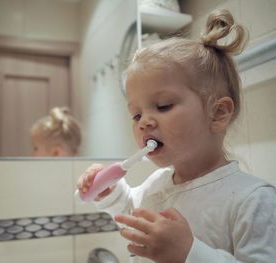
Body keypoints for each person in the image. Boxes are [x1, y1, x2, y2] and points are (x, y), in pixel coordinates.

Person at [77, 9, 276, 263]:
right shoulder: (158, 183)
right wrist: (112, 192)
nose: (144, 123)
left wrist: (189, 254)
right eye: (136, 115)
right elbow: (133, 211)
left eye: (163, 106)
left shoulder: (254, 201)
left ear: (218, 114)